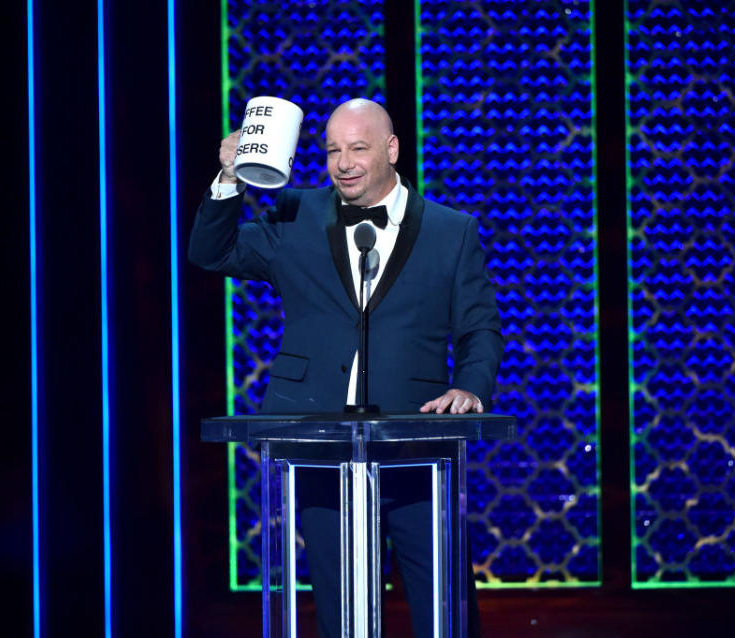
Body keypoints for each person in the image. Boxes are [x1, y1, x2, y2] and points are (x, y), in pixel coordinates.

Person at [189, 98, 503, 637]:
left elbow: (480, 329)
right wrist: (227, 178)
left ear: (392, 149)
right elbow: (210, 252)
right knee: (340, 609)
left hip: (418, 447)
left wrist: (469, 388)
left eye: (358, 148)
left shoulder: (453, 231)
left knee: (444, 603)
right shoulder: (296, 214)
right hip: (318, 442)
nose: (344, 162)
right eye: (333, 150)